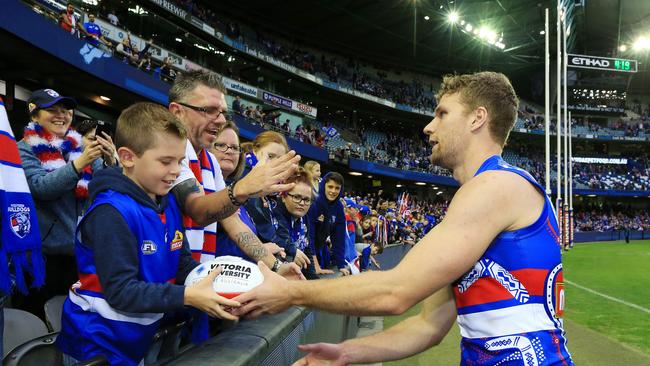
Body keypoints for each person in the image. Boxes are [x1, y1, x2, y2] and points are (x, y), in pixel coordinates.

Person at [233, 72, 573, 365]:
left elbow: (396, 292)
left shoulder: (496, 186)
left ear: (477, 118)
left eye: (442, 114)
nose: (428, 127)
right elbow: (428, 324)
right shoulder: (484, 195)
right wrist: (348, 352)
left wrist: (293, 293)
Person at [55, 102, 239, 365]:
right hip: (96, 345)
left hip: (138, 338)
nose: (176, 171)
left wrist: (224, 287)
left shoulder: (169, 202)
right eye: (166, 162)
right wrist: (188, 296)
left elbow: (182, 264)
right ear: (128, 157)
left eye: (180, 161)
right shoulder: (112, 211)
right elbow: (121, 292)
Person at [167, 70, 302, 277]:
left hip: (196, 283)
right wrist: (242, 188)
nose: (220, 120)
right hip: (164, 288)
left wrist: (276, 266)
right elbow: (199, 211)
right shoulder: (167, 152)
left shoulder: (210, 161)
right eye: (209, 110)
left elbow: (234, 223)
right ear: (177, 112)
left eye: (222, 112)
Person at [17, 89, 115, 319]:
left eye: (65, 110)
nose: (61, 115)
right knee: (35, 322)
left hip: (77, 254)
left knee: (71, 320)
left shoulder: (77, 148)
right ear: (34, 115)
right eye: (52, 110)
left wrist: (111, 162)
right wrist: (78, 165)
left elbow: (106, 189)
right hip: (40, 258)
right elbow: (41, 187)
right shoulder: (23, 148)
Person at [273, 168, 316, 278]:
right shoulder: (274, 212)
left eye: (307, 199)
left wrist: (314, 283)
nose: (302, 203)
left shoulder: (304, 217)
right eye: (296, 197)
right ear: (283, 196)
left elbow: (306, 250)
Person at [308, 172, 348, 275]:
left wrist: (341, 265)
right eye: (330, 186)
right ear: (323, 185)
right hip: (304, 251)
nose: (333, 191)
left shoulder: (339, 207)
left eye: (337, 188)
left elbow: (339, 238)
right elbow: (309, 236)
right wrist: (314, 264)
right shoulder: (314, 203)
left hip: (318, 250)